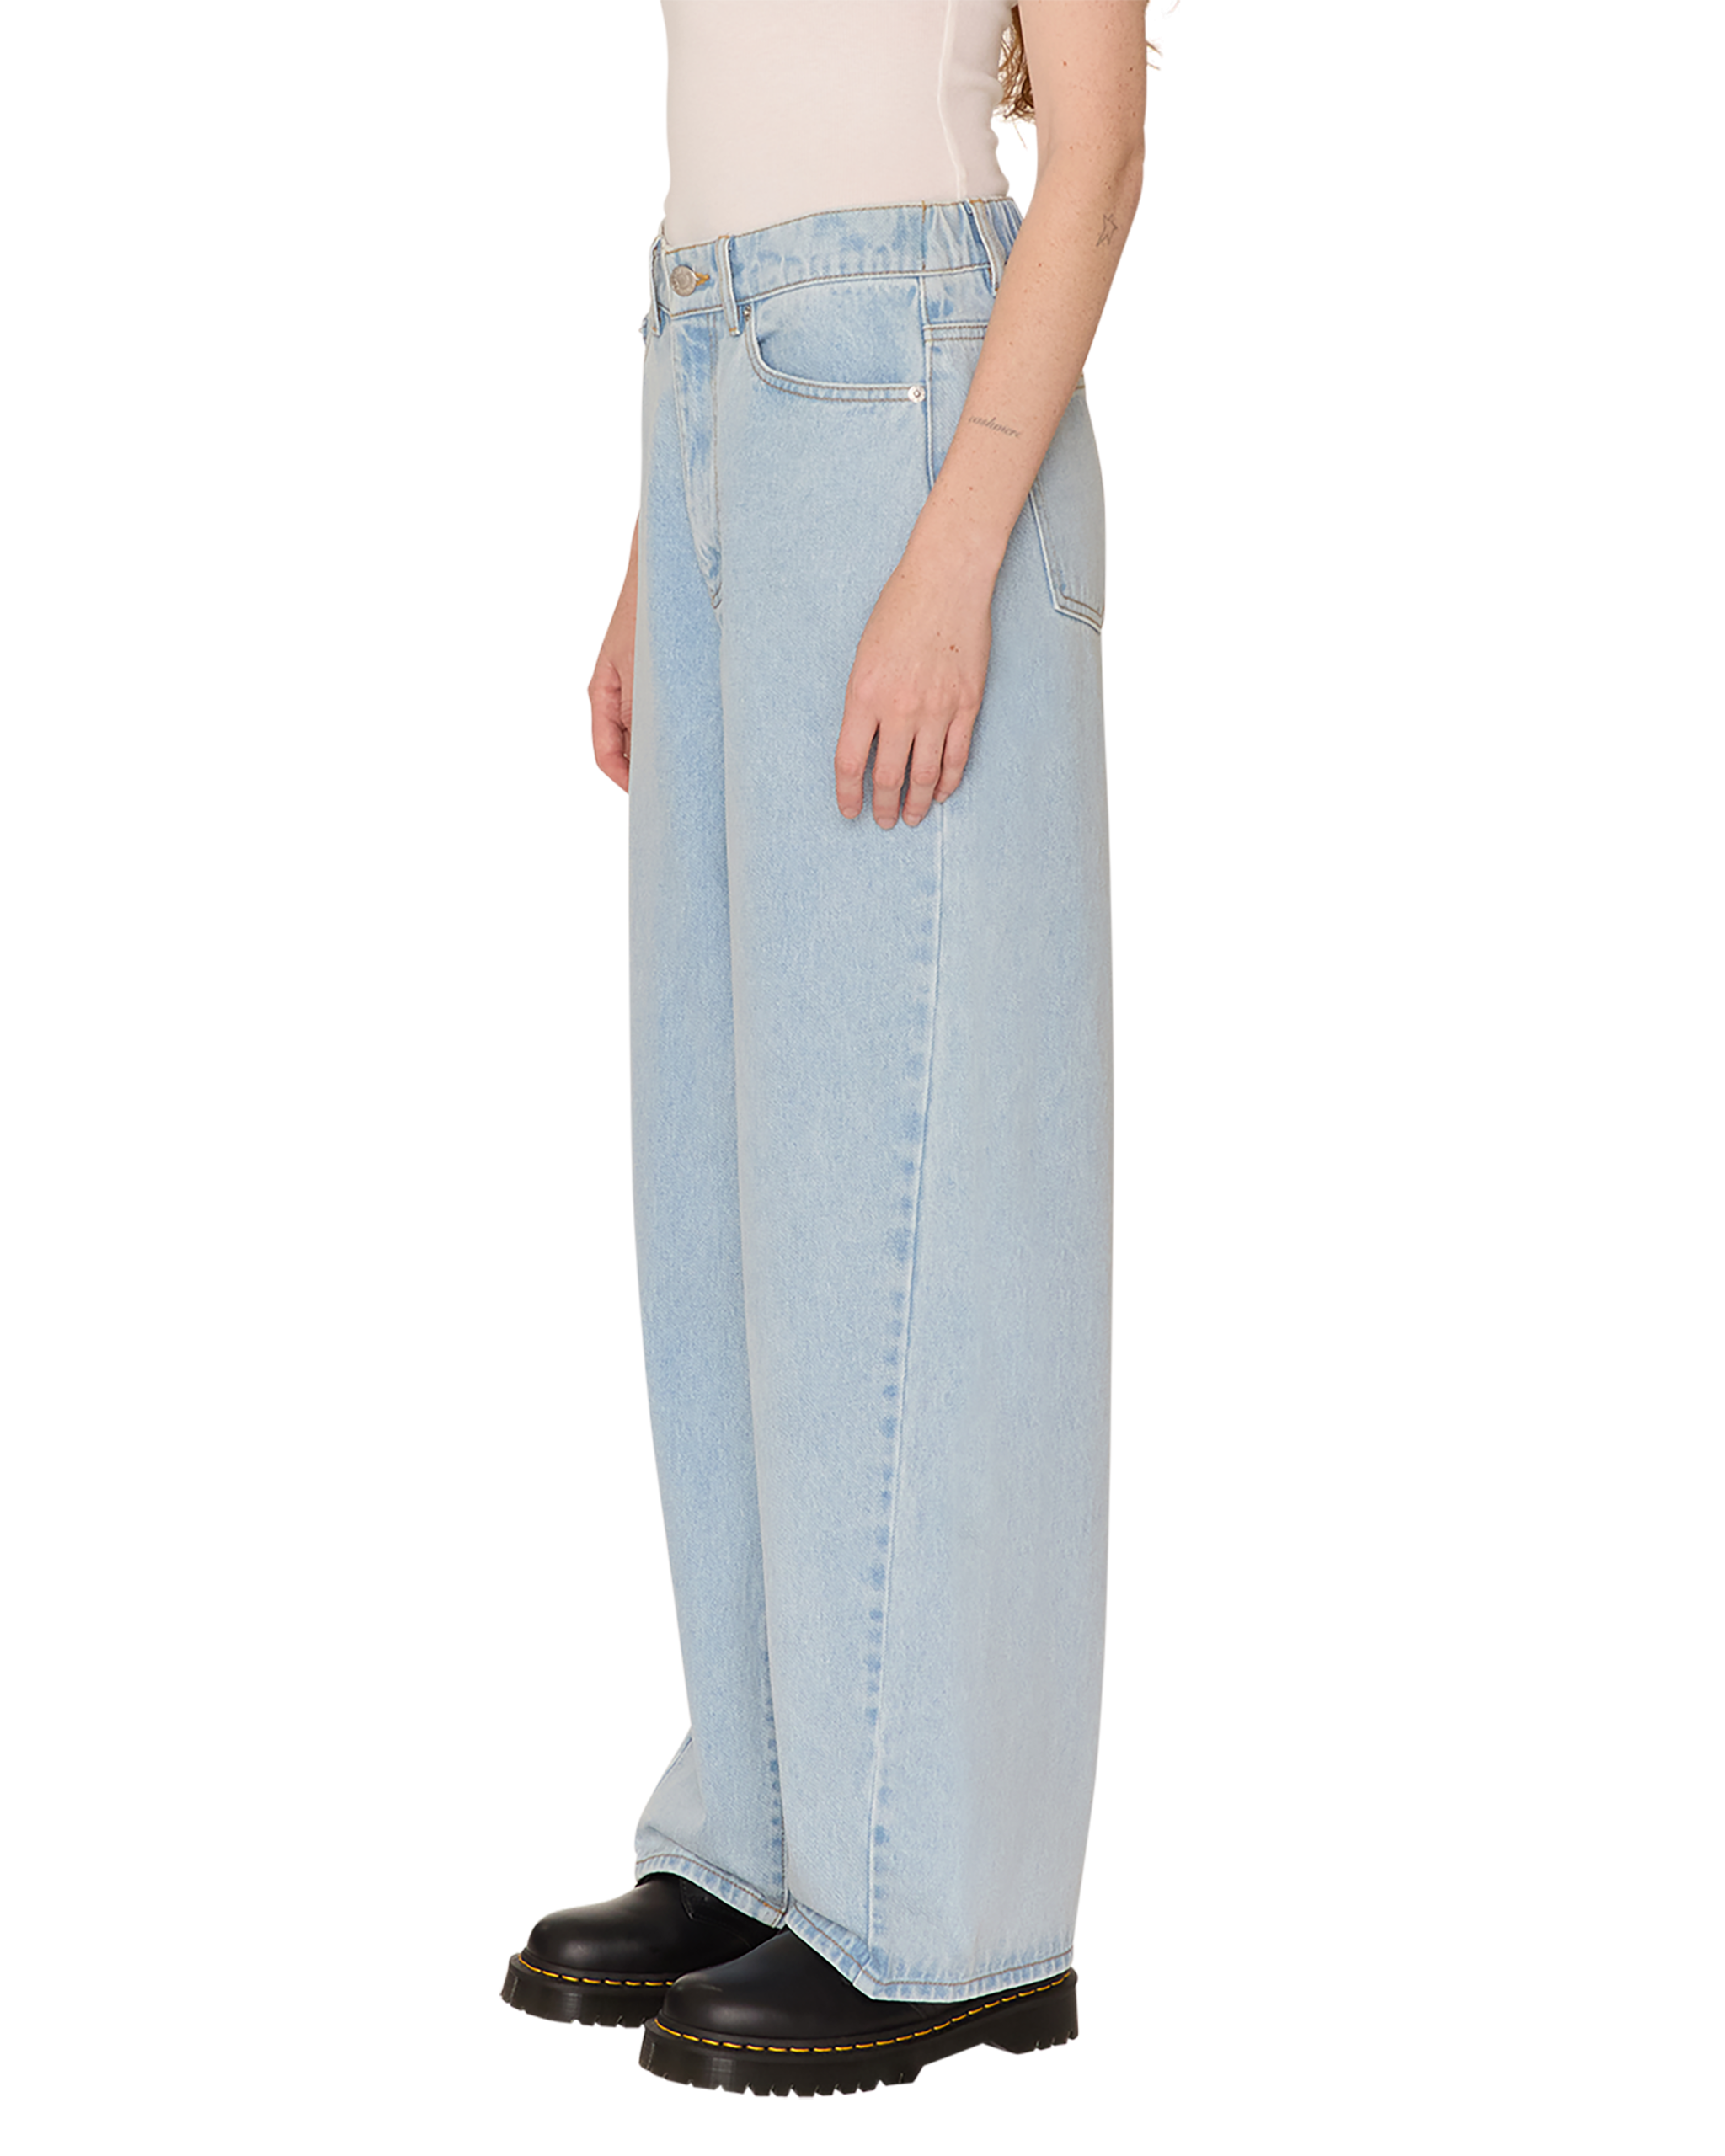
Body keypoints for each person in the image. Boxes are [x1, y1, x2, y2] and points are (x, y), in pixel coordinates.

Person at [500, 0, 1145, 2100]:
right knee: (724, 1176)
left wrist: (955, 550)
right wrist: (653, 546)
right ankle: (766, 1830)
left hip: (913, 403)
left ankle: (942, 1907)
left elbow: (1096, 161)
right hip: (705, 370)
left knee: (910, 1174)